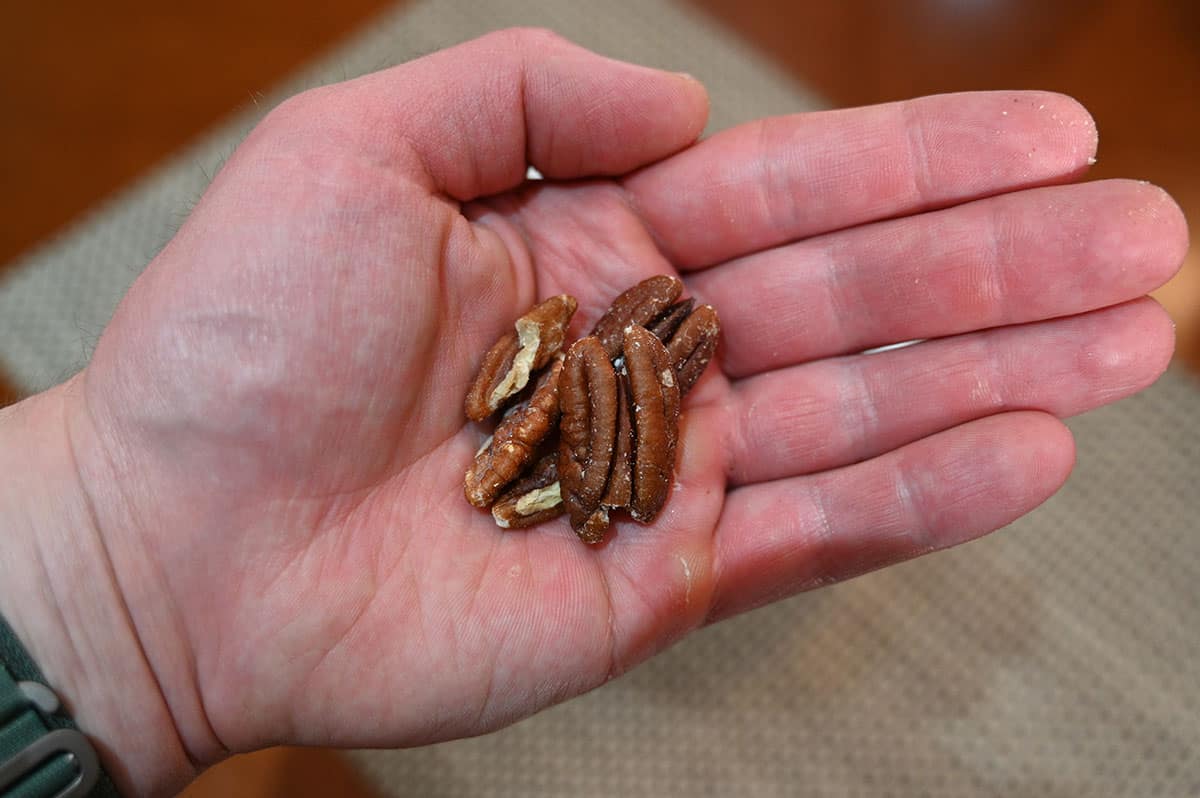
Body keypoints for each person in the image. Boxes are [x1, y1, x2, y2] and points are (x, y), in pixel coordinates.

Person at [0, 29, 1186, 797]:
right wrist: (115, 584)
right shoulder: (563, 394)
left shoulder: (604, 374)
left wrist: (107, 583)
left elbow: (609, 423)